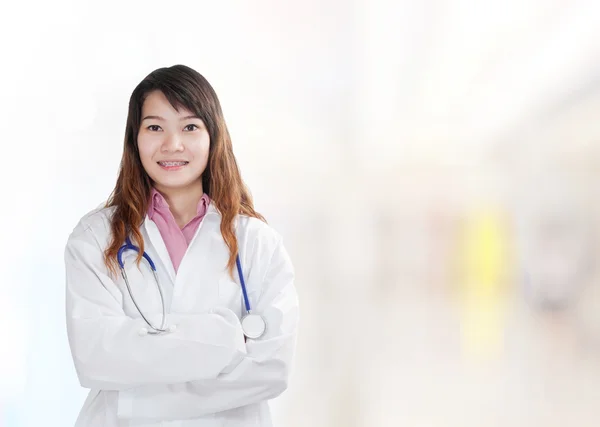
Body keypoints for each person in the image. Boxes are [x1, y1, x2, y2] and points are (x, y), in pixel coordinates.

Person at [64, 64, 299, 427]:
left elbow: (271, 369)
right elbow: (96, 356)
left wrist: (134, 400)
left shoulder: (257, 243)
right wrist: (222, 336)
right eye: (155, 127)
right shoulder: (96, 238)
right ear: (134, 138)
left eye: (190, 127)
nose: (172, 145)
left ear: (213, 137)